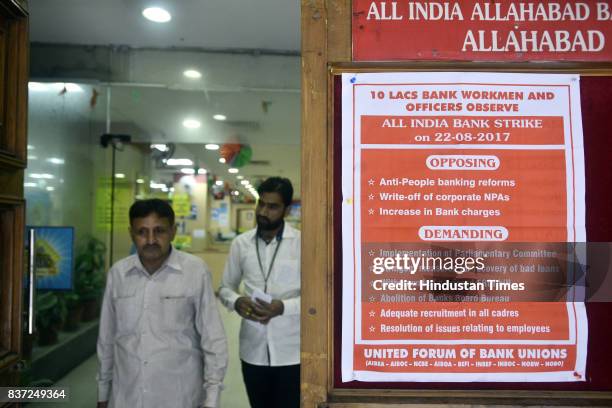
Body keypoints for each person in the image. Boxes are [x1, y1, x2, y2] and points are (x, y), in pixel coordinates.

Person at [96, 199, 228, 408]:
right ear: (131, 233)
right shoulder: (118, 274)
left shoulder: (195, 271)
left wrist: (211, 399)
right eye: (142, 232)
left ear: (173, 232)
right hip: (127, 396)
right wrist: (103, 393)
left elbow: (213, 338)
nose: (150, 240)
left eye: (159, 231)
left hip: (179, 396)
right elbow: (107, 338)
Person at [219, 177, 300, 408]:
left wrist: (283, 307)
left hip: (291, 352)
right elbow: (225, 287)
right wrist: (236, 301)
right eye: (261, 204)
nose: (264, 211)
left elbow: (316, 299)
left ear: (286, 209)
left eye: (272, 206)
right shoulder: (240, 244)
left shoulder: (301, 244)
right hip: (252, 351)